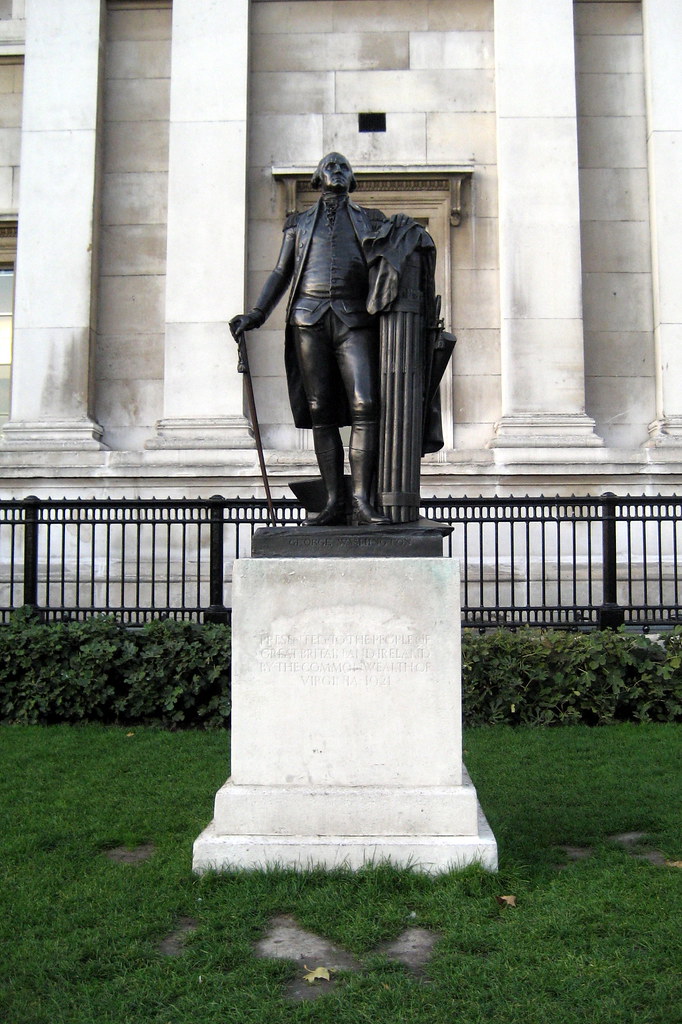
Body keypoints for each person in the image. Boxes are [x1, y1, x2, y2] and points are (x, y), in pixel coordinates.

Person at [230, 152, 392, 526]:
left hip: (355, 320)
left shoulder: (372, 220)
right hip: (308, 318)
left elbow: (395, 261)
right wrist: (256, 313)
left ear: (352, 180)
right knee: (321, 411)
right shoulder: (299, 222)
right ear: (318, 179)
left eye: (343, 167)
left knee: (365, 404)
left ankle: (362, 501)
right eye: (329, 166)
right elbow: (280, 272)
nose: (337, 170)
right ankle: (335, 500)